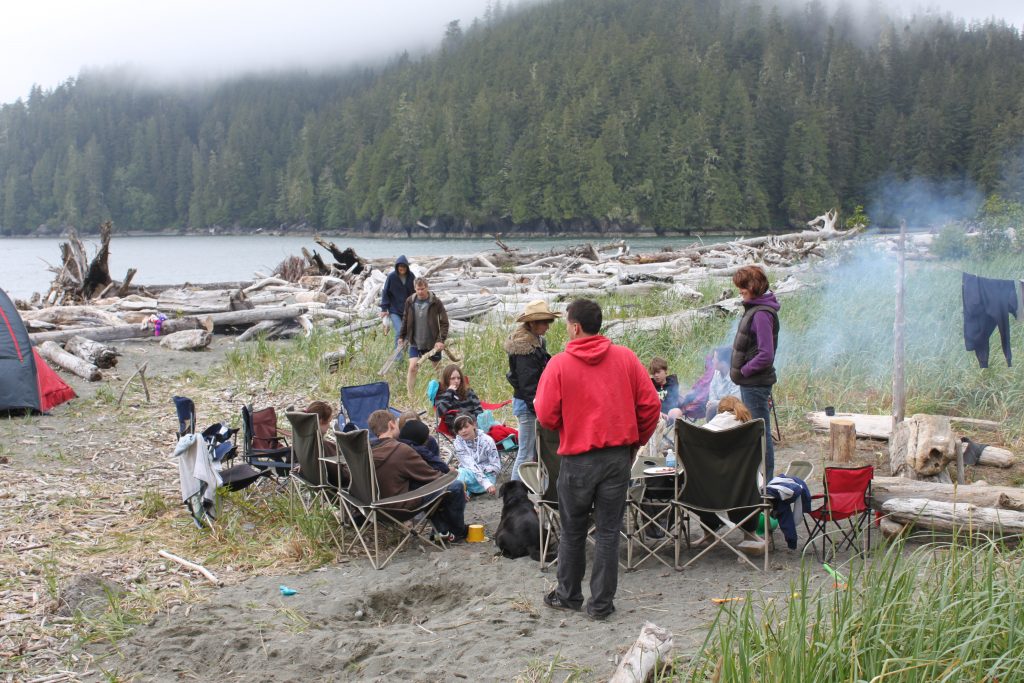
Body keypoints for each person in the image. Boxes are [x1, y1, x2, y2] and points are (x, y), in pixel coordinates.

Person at [534, 298, 661, 621]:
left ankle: (569, 595)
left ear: (575, 326)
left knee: (574, 530)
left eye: (566, 324)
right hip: (616, 457)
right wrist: (635, 442)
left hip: (578, 459)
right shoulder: (626, 358)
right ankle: (601, 604)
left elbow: (546, 416)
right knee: (607, 531)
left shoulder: (559, 364)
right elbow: (650, 406)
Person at [367, 410, 467, 542]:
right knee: (455, 486)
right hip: (400, 507)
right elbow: (431, 476)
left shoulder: (366, 451)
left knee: (422, 486)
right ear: (391, 424)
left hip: (374, 507)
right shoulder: (401, 450)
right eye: (397, 424)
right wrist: (452, 475)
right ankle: (458, 532)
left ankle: (441, 531)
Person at [693, 395, 765, 554]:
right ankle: (750, 534)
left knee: (702, 484)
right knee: (750, 486)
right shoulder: (749, 430)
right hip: (743, 493)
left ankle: (709, 534)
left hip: (706, 496)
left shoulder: (702, 431)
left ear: (719, 411)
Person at [730, 265, 781, 479]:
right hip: (751, 383)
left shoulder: (761, 314)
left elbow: (765, 354)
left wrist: (744, 371)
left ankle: (766, 484)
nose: (740, 291)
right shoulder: (756, 309)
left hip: (755, 384)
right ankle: (760, 479)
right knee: (756, 431)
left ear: (753, 286)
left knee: (760, 433)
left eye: (743, 287)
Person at [505, 300, 559, 481]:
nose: (547, 327)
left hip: (531, 402)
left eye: (548, 322)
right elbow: (528, 385)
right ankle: (515, 494)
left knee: (536, 452)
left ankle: (533, 490)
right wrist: (538, 409)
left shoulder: (536, 341)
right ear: (532, 323)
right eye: (544, 322)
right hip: (528, 405)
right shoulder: (524, 347)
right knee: (526, 453)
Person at [399, 277, 449, 399]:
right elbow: (405, 319)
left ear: (427, 287)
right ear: (414, 289)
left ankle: (444, 393)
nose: (420, 291)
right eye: (418, 289)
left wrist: (440, 340)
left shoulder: (435, 302)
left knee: (438, 369)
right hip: (415, 341)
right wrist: (401, 336)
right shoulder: (410, 301)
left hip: (432, 342)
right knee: (412, 368)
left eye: (422, 289)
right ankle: (410, 396)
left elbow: (444, 322)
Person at [452, 414, 500, 496]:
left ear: (474, 425)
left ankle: (464, 491)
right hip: (469, 474)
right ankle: (463, 493)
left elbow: (496, 465)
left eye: (466, 427)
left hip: (487, 476)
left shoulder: (487, 440)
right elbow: (470, 464)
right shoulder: (458, 443)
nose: (463, 431)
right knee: (459, 472)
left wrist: (487, 483)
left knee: (462, 473)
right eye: (460, 429)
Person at [305, 400, 349, 487]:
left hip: (310, 478)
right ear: (321, 421)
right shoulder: (323, 446)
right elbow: (339, 476)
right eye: (328, 422)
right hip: (338, 485)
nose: (329, 426)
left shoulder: (304, 440)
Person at [379, 255, 416, 351]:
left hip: (408, 310)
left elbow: (415, 293)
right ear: (397, 267)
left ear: (407, 267)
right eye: (400, 266)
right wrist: (384, 309)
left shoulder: (411, 276)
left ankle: (405, 353)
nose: (402, 268)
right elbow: (385, 292)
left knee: (408, 333)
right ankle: (397, 359)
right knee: (400, 332)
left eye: (404, 266)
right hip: (394, 310)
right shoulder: (391, 277)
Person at [434, 364, 484, 431]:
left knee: (497, 430)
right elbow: (439, 413)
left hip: (474, 423)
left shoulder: (468, 391)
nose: (456, 381)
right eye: (453, 378)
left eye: (458, 378)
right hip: (457, 426)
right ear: (446, 379)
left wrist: (473, 422)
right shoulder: (442, 394)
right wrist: (449, 393)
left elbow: (479, 409)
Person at [705, 346, 742, 421]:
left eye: (714, 359)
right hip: (717, 409)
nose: (712, 361)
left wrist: (715, 403)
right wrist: (713, 403)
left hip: (732, 412)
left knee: (712, 408)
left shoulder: (735, 377)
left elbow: (735, 401)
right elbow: (712, 391)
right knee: (710, 408)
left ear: (723, 363)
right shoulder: (716, 373)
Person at [648, 356, 683, 422]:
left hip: (670, 415)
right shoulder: (650, 385)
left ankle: (675, 430)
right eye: (654, 373)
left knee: (677, 411)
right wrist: (659, 414)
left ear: (665, 371)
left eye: (658, 372)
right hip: (656, 416)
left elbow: (674, 402)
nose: (656, 375)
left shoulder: (672, 383)